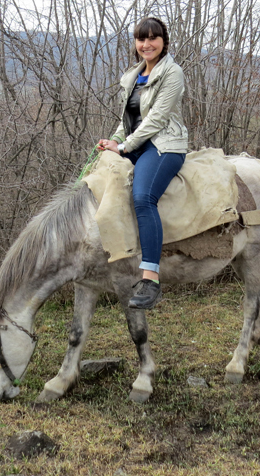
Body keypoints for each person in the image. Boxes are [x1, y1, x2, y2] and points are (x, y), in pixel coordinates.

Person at [97, 17, 189, 309]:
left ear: (163, 41)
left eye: (153, 38)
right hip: (136, 142)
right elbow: (128, 120)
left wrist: (124, 147)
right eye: (141, 39)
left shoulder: (172, 72)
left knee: (143, 197)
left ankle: (151, 279)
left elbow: (156, 119)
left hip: (164, 145)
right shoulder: (133, 76)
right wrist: (113, 141)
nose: (146, 44)